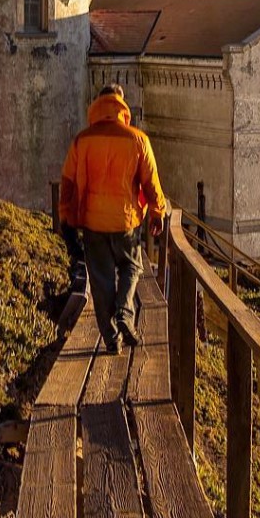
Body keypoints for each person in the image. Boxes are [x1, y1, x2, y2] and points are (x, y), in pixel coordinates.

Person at [59, 84, 166, 353]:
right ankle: (124, 312)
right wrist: (157, 211)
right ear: (121, 105)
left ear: (97, 104)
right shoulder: (137, 139)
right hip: (125, 222)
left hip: (92, 223)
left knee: (101, 281)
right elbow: (151, 182)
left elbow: (68, 184)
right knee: (132, 268)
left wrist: (66, 219)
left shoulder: (81, 141)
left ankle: (111, 338)